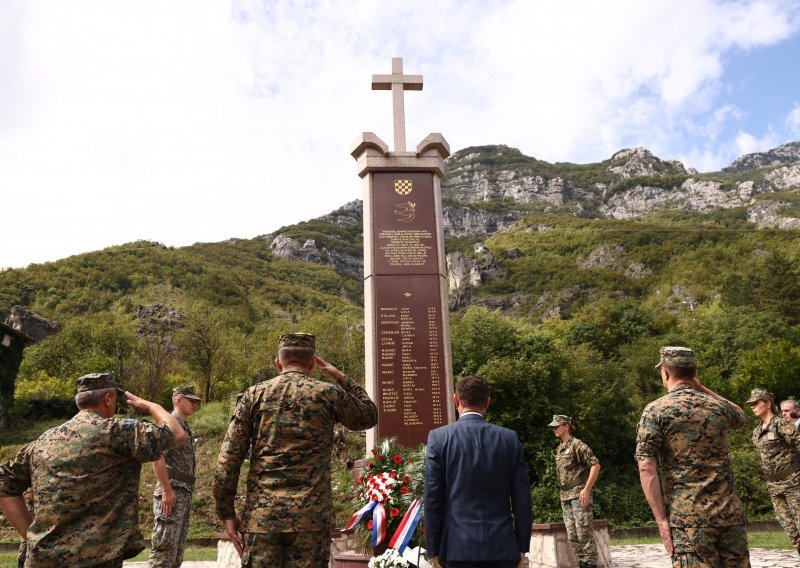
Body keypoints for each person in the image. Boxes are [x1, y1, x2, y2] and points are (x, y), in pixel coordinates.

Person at [213, 332, 377, 567]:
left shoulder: (254, 395)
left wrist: (227, 514)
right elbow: (368, 415)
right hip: (311, 521)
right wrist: (340, 376)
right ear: (312, 364)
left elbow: (228, 462)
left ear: (278, 362)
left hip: (262, 521)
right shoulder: (328, 393)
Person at [0, 372, 187, 567]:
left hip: (42, 559)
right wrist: (151, 406)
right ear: (108, 399)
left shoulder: (42, 441)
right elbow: (176, 434)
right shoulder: (117, 432)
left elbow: (4, 482)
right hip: (96, 560)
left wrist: (31, 535)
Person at [635, 347, 750, 567]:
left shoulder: (655, 411)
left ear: (666, 373)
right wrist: (701, 389)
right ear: (693, 374)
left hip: (689, 521)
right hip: (730, 517)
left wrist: (661, 520)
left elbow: (646, 467)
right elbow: (740, 417)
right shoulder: (716, 406)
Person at [425, 375, 532, 568]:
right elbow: (522, 498)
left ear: (456, 399)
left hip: (457, 549)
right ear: (487, 402)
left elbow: (433, 499)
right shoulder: (509, 439)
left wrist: (434, 548)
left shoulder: (438, 438)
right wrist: (522, 544)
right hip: (503, 547)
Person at [148, 385, 202, 568]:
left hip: (183, 492)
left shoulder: (183, 425)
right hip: (172, 490)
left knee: (176, 554)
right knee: (163, 552)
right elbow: (157, 457)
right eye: (191, 400)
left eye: (197, 402)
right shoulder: (169, 425)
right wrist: (166, 489)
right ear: (178, 400)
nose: (195, 404)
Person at [746, 388, 800, 555]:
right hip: (774, 486)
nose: (752, 406)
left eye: (756, 403)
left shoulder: (780, 424)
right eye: (751, 404)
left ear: (768, 403)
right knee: (792, 531)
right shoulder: (757, 432)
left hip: (793, 482)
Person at [549, 414, 601, 568]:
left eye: (557, 426)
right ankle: (583, 563)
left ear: (566, 426)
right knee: (572, 536)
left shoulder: (578, 445)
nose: (554, 429)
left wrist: (586, 489)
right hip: (565, 496)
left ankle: (591, 564)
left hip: (579, 494)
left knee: (584, 533)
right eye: (553, 427)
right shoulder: (559, 449)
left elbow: (595, 465)